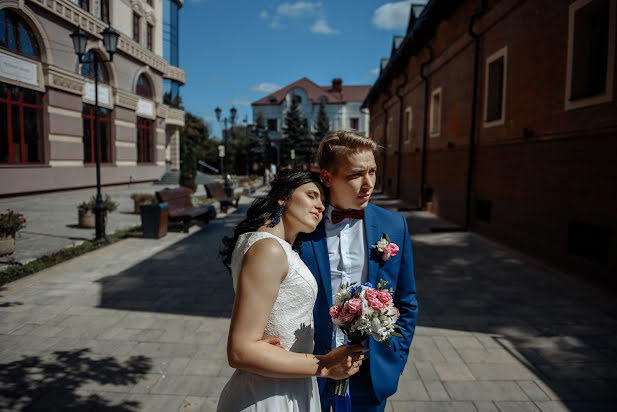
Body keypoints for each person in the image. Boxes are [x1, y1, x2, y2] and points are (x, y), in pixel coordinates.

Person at [217, 169, 365, 412]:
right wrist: (324, 365)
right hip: (269, 393)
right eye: (311, 195)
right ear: (283, 197)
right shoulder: (269, 248)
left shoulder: (268, 244)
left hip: (287, 378)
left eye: (323, 202)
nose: (319, 206)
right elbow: (240, 351)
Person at [299, 131, 418, 412]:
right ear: (327, 178)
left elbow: (407, 300)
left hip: (371, 374)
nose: (368, 184)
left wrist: (394, 358)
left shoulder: (394, 225)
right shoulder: (302, 227)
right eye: (355, 175)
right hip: (312, 372)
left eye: (373, 172)